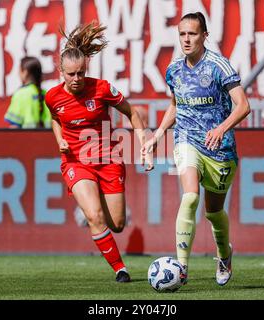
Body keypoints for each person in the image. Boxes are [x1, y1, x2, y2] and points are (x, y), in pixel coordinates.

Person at [142, 12, 250, 286]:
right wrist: (157, 135)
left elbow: (243, 106)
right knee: (190, 197)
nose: (186, 39)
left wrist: (221, 128)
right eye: (182, 34)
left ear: (204, 36)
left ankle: (224, 254)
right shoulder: (174, 69)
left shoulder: (219, 66)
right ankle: (182, 268)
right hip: (186, 138)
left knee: (213, 212)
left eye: (192, 33)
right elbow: (176, 105)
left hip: (220, 148)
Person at [45, 22, 154, 283]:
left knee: (116, 223)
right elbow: (55, 119)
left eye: (80, 73)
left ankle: (100, 222)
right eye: (70, 74)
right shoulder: (52, 97)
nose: (76, 79)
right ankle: (120, 269)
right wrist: (60, 140)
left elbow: (131, 112)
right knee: (94, 216)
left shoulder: (102, 89)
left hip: (107, 159)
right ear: (61, 72)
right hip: (76, 162)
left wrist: (144, 144)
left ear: (86, 69)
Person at [4, 57, 52, 128]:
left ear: (25, 72)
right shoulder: (46, 94)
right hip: (47, 137)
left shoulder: (20, 94)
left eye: (19, 70)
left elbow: (15, 126)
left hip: (26, 137)